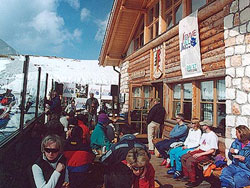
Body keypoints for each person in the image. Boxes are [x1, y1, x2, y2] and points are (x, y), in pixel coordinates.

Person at [181, 120, 218, 187]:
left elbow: (212, 150)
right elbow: (201, 146)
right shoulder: (204, 134)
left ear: (207, 126)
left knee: (190, 161)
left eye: (203, 125)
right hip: (200, 150)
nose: (201, 126)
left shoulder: (213, 136)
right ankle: (187, 175)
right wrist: (193, 151)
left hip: (206, 154)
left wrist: (200, 154)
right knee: (184, 157)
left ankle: (193, 180)